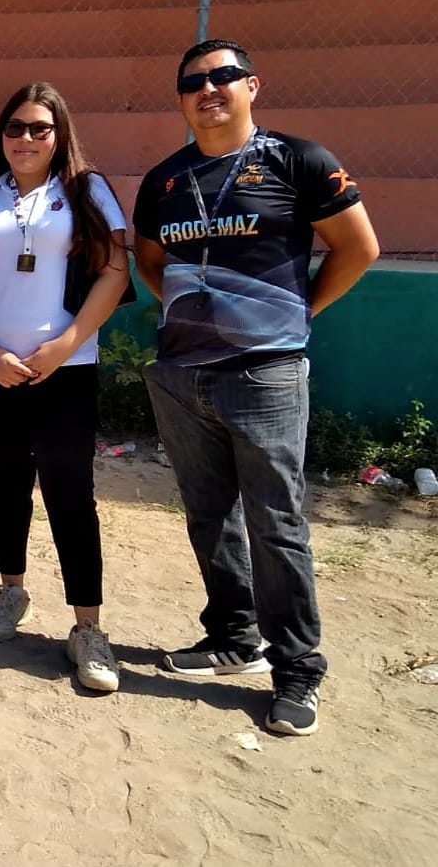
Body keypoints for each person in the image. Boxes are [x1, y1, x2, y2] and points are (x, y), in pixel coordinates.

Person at [133, 39, 380, 735]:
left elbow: (358, 247)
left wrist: (296, 315)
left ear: (252, 86)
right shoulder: (165, 179)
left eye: (223, 77)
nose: (208, 89)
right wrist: (194, 319)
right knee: (208, 514)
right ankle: (233, 637)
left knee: (277, 523)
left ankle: (298, 669)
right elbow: (151, 261)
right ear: (181, 98)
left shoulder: (299, 161)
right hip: (183, 372)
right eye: (193, 82)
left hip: (265, 372)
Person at [0, 83, 130, 693]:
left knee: (71, 492)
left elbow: (113, 271)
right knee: (7, 485)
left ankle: (88, 627)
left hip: (66, 369)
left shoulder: (86, 190)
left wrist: (66, 344)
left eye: (40, 129)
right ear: (2, 135)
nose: (26, 138)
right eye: (16, 127)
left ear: (60, 135)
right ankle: (11, 590)